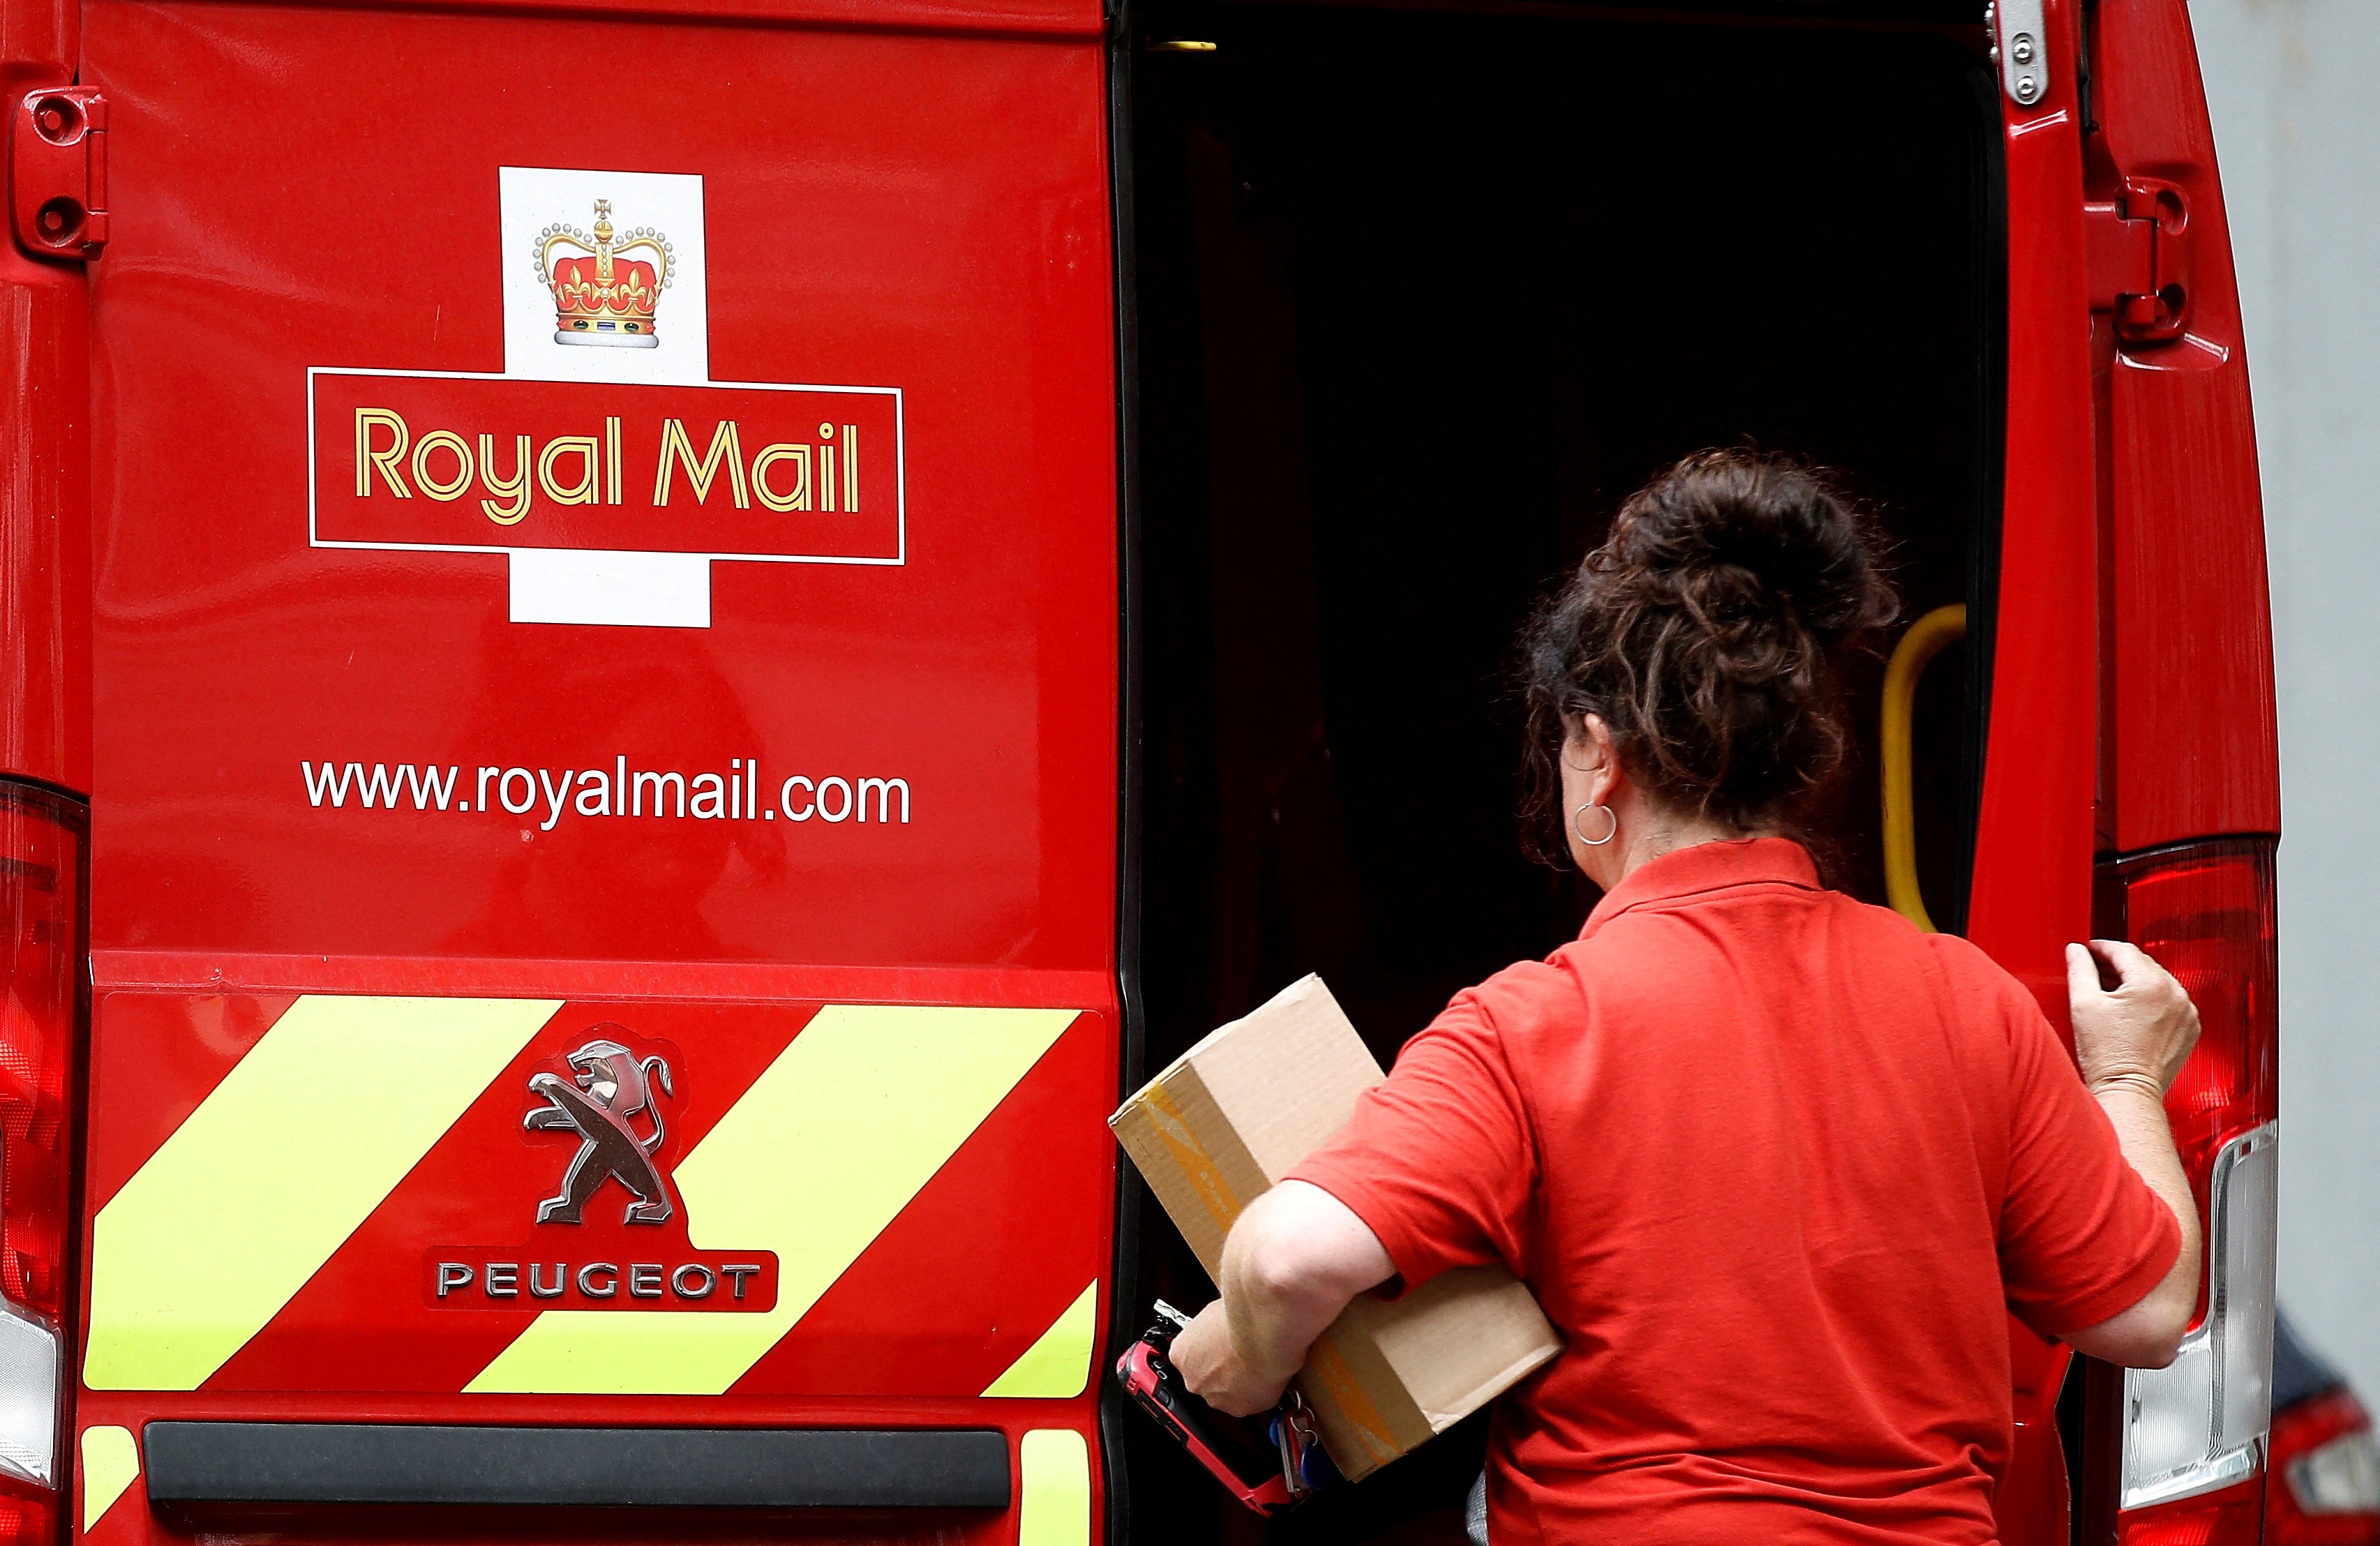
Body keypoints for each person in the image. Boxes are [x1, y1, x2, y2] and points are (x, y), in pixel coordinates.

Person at [1169, 449, 2203, 1545]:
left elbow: (1289, 1258)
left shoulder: (1534, 1025)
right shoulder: (1967, 1000)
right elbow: (2143, 1313)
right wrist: (2128, 1077)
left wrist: (1241, 1353)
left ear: (1599, 754)